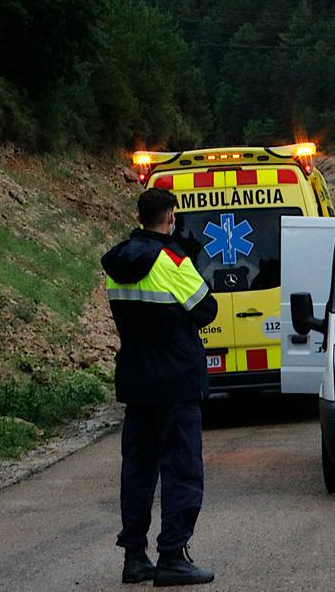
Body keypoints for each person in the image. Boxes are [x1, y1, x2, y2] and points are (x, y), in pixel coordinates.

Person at [102, 188, 217, 587]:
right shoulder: (171, 259)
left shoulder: (117, 262)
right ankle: (172, 555)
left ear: (139, 216)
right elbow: (206, 307)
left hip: (136, 380)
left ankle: (134, 556)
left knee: (137, 469)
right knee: (181, 468)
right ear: (170, 216)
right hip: (176, 380)